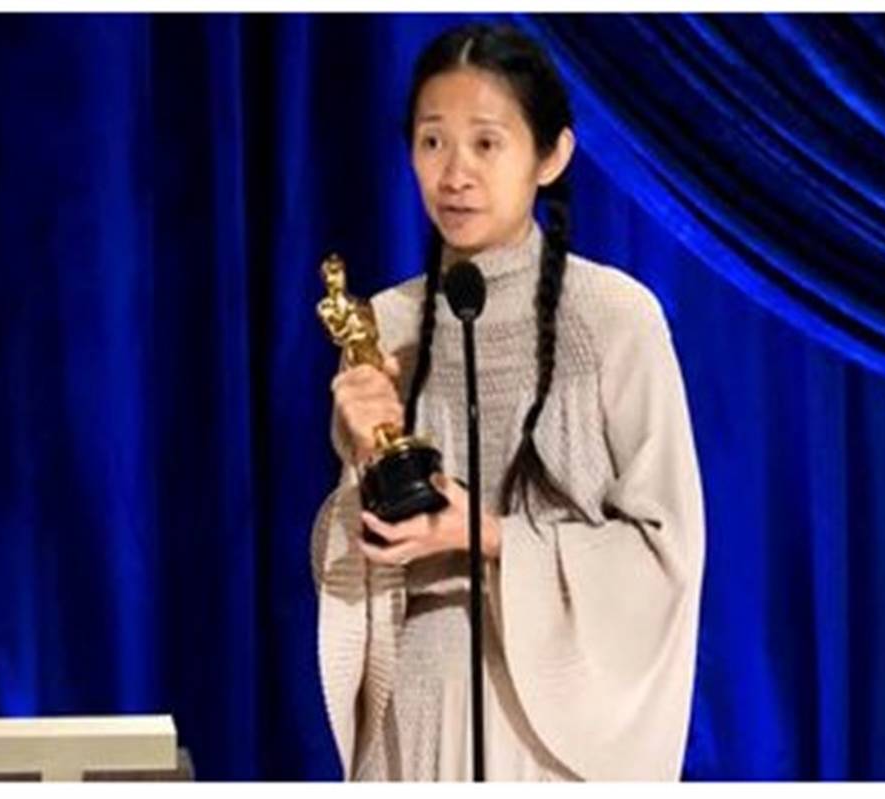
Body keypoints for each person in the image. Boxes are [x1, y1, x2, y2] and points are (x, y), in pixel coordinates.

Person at [310, 22, 704, 781]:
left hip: (554, 727)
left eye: (486, 143)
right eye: (433, 142)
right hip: (417, 709)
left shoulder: (615, 318)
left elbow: (666, 554)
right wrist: (361, 460)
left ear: (550, 156)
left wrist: (488, 536)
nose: (454, 173)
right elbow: (356, 572)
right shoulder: (386, 323)